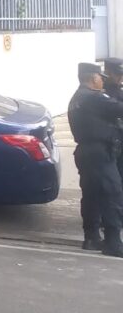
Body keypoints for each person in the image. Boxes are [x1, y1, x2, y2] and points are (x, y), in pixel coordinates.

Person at [68, 62, 123, 257]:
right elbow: (119, 108)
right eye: (101, 78)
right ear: (93, 79)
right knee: (112, 194)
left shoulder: (78, 98)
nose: (102, 81)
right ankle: (113, 242)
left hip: (87, 152)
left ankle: (91, 238)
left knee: (92, 196)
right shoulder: (92, 98)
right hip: (99, 153)